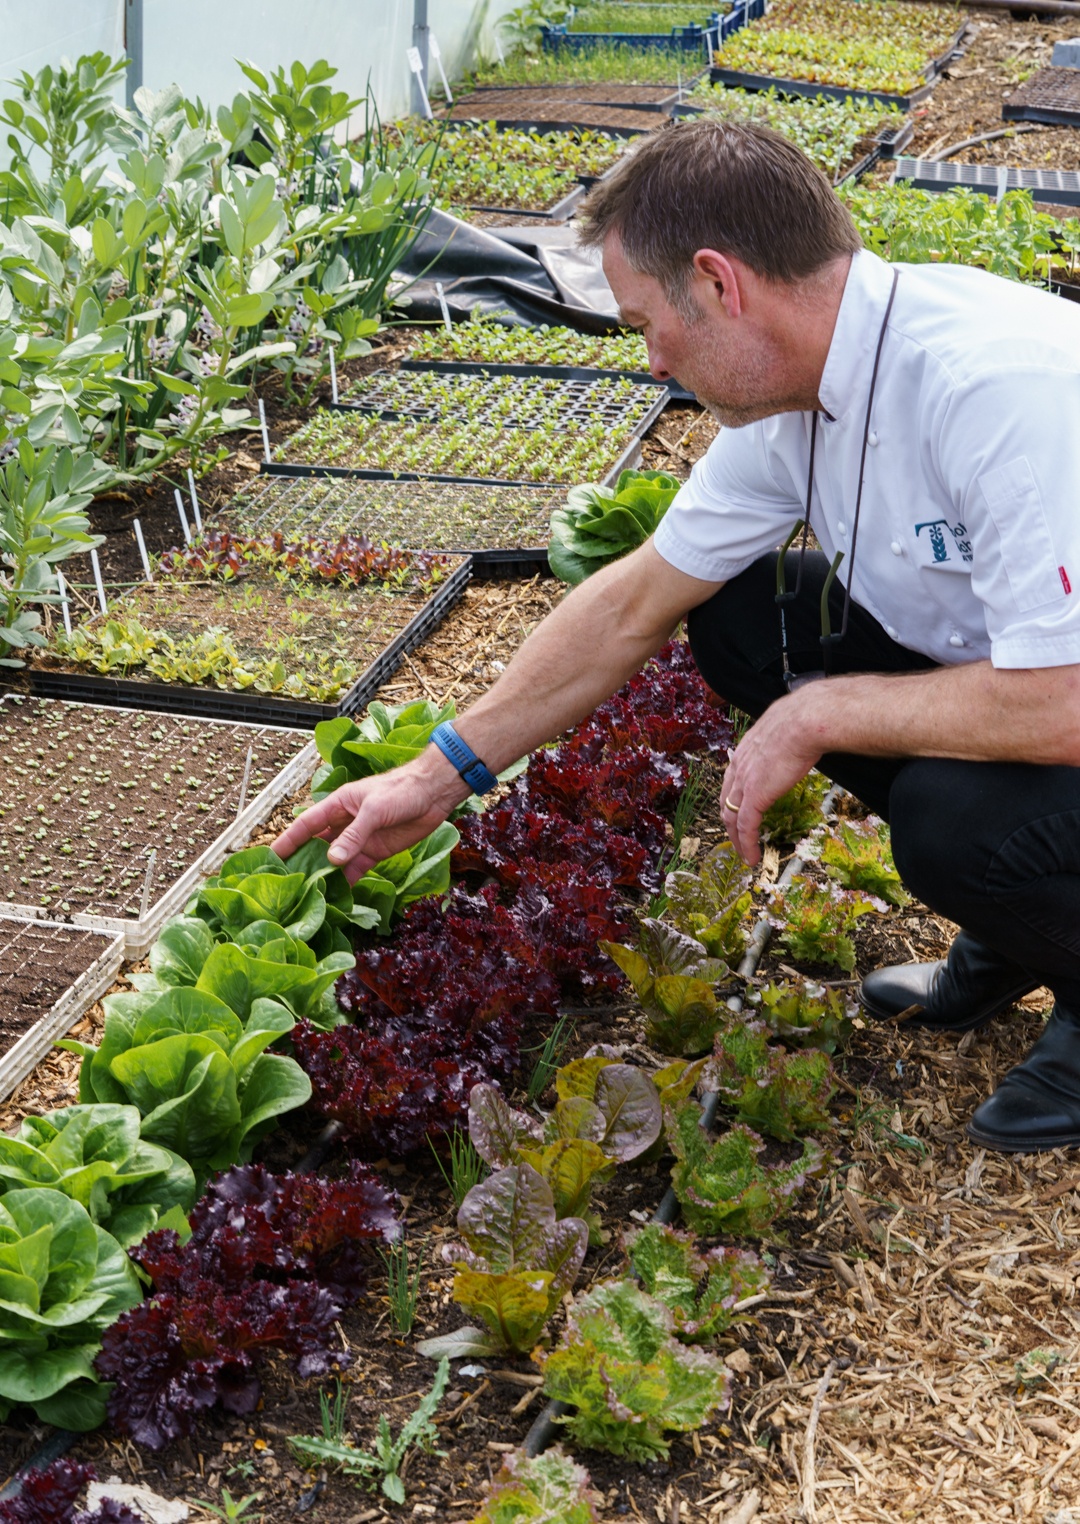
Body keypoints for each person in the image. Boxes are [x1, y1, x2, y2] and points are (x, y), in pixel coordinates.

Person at [274, 118, 1080, 1155]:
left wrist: (821, 712)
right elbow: (635, 601)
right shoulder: (805, 391)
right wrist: (434, 779)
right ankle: (1024, 931)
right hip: (1040, 683)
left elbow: (1064, 703)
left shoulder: (995, 392)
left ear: (718, 283)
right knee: (749, 622)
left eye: (647, 324)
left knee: (951, 822)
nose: (654, 360)